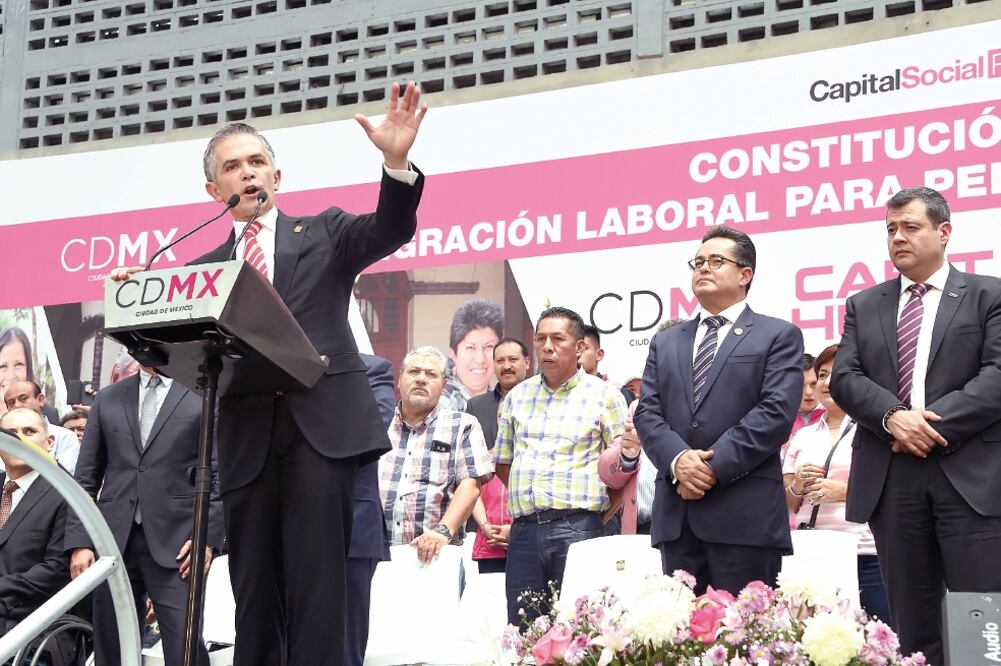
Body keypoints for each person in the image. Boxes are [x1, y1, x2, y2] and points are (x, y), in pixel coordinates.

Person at [108, 81, 426, 666]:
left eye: (257, 162)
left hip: (320, 433)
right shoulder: (199, 273)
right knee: (254, 598)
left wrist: (396, 163)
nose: (248, 173)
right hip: (246, 442)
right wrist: (139, 298)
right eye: (233, 167)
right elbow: (167, 351)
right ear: (214, 190)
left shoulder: (326, 232)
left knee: (318, 593)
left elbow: (390, 229)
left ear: (277, 176)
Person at [830, 186, 1001, 664]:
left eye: (910, 227)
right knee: (912, 624)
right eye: (891, 229)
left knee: (981, 622)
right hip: (893, 477)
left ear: (943, 232)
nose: (898, 238)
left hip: (970, 478)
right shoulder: (864, 304)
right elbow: (845, 378)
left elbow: (997, 375)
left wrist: (926, 426)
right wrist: (893, 418)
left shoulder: (989, 295)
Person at [634, 226, 803, 595]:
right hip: (678, 517)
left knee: (746, 629)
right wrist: (678, 461)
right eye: (698, 262)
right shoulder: (665, 342)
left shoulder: (777, 335)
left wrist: (710, 468)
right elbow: (647, 413)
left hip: (745, 517)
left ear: (745, 274)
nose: (703, 268)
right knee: (678, 628)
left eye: (715, 261)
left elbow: (774, 413)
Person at [64, 365, 222, 666]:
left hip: (179, 544)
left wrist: (207, 539)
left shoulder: (203, 393)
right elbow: (85, 477)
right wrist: (80, 540)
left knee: (184, 647)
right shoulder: (108, 398)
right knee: (112, 646)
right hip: (113, 542)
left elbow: (218, 475)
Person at [495, 307, 627, 625]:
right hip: (524, 533)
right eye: (541, 339)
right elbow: (504, 464)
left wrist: (595, 516)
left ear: (579, 347)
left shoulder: (605, 397)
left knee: (580, 630)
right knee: (525, 631)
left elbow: (623, 469)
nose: (547, 347)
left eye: (557, 339)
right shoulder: (517, 397)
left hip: (579, 528)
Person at [783, 344, 890, 622]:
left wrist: (843, 492)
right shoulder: (802, 436)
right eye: (822, 374)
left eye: (837, 373)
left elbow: (894, 492)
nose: (826, 382)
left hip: (866, 552)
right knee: (811, 636)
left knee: (877, 636)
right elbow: (788, 505)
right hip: (813, 552)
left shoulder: (876, 430)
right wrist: (798, 486)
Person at [379, 346, 493, 563]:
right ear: (400, 379)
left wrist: (442, 531)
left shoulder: (461, 425)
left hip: (437, 555)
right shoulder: (378, 424)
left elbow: (471, 486)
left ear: (443, 386)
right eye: (414, 372)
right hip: (376, 553)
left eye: (431, 374)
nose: (421, 379)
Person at [0, 408, 71, 642]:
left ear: (50, 442)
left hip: (28, 622)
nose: (19, 439)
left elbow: (57, 569)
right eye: (11, 433)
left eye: (29, 431)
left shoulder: (68, 494)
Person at [346, 353, 395, 666]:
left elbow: (371, 426)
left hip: (353, 524)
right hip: (291, 522)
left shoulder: (373, 368)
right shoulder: (281, 364)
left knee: (346, 640)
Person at [466, 338, 530, 573]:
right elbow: (469, 471)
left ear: (527, 362)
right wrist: (486, 525)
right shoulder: (476, 406)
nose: (507, 366)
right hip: (487, 526)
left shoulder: (543, 403)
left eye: (513, 359)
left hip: (529, 521)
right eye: (500, 360)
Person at [440, 299, 504, 411]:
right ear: (453, 353)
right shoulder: (441, 402)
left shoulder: (502, 403)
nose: (480, 359)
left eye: (489, 346)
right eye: (470, 347)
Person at [4, 380, 80, 474]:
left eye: (23, 399)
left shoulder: (65, 436)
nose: (17, 405)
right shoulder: (3, 438)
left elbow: (63, 477)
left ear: (40, 400)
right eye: (11, 402)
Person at [0, 327, 60, 424]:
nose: (11, 376)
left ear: (28, 367)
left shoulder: (48, 414)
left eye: (18, 365)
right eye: (2, 366)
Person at [783, 353, 824, 458]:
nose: (808, 392)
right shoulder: (778, 418)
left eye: (813, 384)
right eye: (800, 385)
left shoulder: (833, 416)